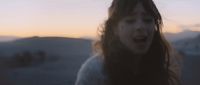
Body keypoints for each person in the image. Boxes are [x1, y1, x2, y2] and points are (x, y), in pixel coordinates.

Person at [75, 0, 182, 85]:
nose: (140, 26)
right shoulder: (95, 72)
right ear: (114, 29)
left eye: (147, 20)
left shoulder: (158, 64)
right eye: (130, 20)